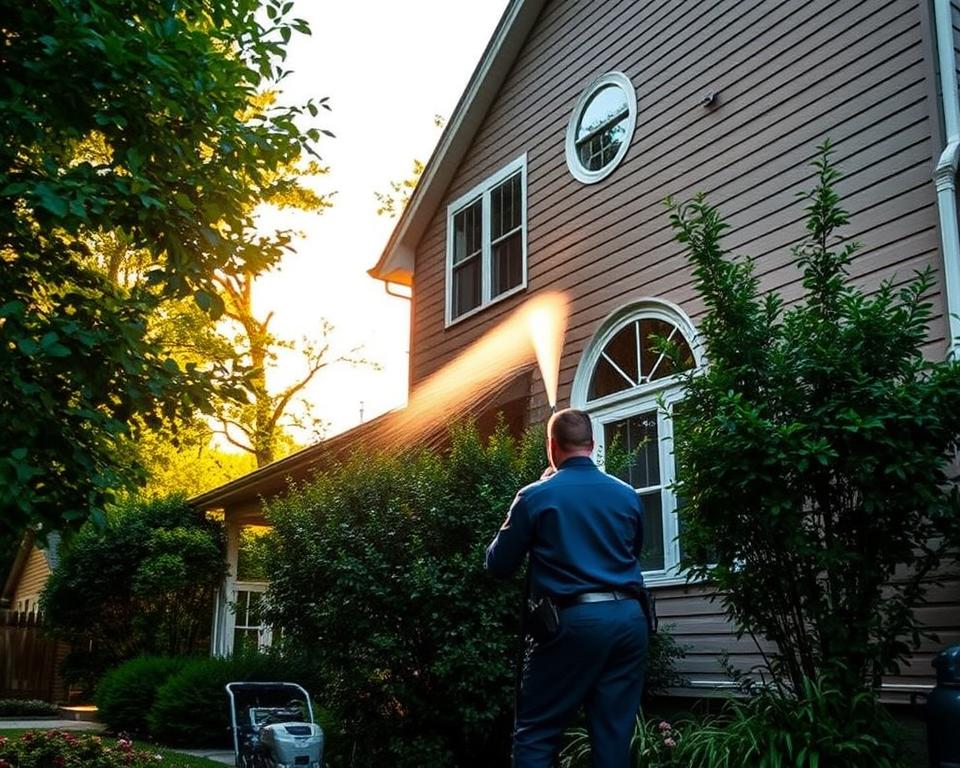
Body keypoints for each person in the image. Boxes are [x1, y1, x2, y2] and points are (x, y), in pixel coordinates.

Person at [485, 408, 648, 768]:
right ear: (592, 444)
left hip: (573, 622)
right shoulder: (628, 494)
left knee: (537, 733)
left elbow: (498, 564)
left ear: (552, 446)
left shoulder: (535, 496)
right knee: (613, 736)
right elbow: (631, 553)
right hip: (630, 620)